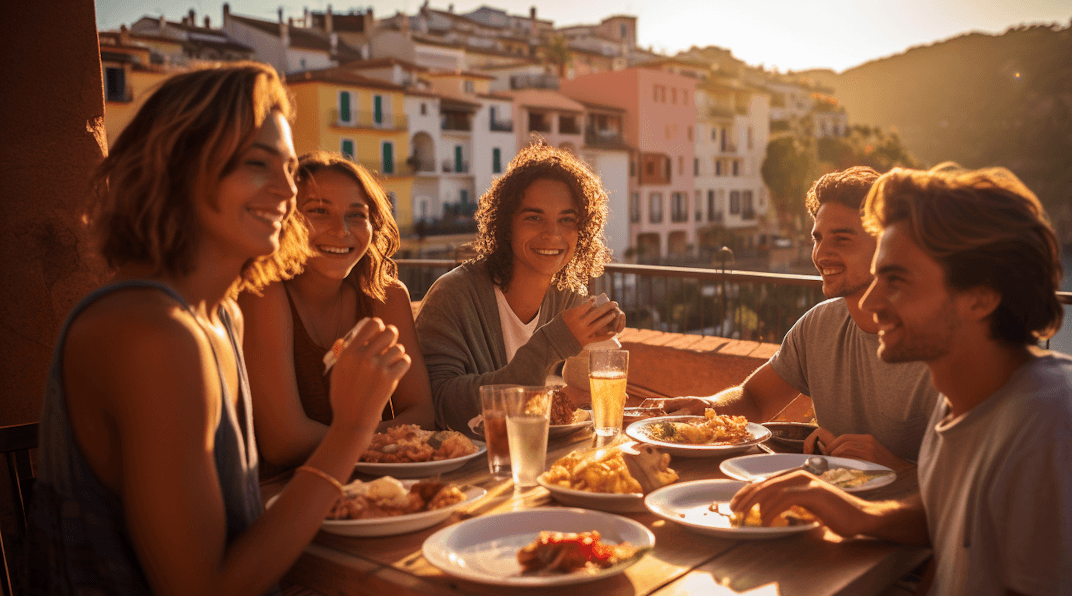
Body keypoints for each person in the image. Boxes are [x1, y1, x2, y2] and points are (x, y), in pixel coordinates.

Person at [21, 64, 409, 596]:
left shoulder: (221, 314)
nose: (287, 191)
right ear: (176, 168)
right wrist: (351, 428)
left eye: (286, 168)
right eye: (256, 164)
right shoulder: (152, 332)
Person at [732, 164, 1072, 596]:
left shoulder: (1062, 435)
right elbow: (947, 514)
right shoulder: (970, 395)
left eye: (896, 280)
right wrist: (849, 511)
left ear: (979, 297)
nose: (871, 302)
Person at [660, 167, 937, 469]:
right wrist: (709, 407)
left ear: (886, 245)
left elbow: (969, 480)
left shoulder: (935, 345)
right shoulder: (818, 326)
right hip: (828, 494)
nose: (821, 254)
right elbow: (754, 398)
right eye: (817, 239)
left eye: (841, 239)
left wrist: (898, 467)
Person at [241, 150, 435, 472]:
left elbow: (422, 415)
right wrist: (385, 440)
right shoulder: (263, 293)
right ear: (285, 219)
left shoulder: (386, 296)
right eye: (319, 211)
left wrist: (354, 441)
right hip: (289, 490)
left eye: (356, 215)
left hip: (382, 485)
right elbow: (284, 443)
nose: (341, 230)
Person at [415, 142, 624, 433]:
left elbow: (579, 394)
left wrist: (598, 342)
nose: (552, 233)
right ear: (506, 224)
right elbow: (440, 407)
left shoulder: (565, 295)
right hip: (469, 458)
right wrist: (551, 343)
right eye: (534, 218)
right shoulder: (453, 295)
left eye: (567, 219)